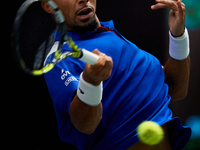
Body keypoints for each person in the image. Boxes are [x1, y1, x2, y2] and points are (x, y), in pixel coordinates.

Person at [42, 0, 191, 149]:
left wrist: (178, 36)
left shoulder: (108, 33)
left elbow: (176, 88)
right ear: (48, 5)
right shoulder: (59, 58)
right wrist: (90, 82)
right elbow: (86, 125)